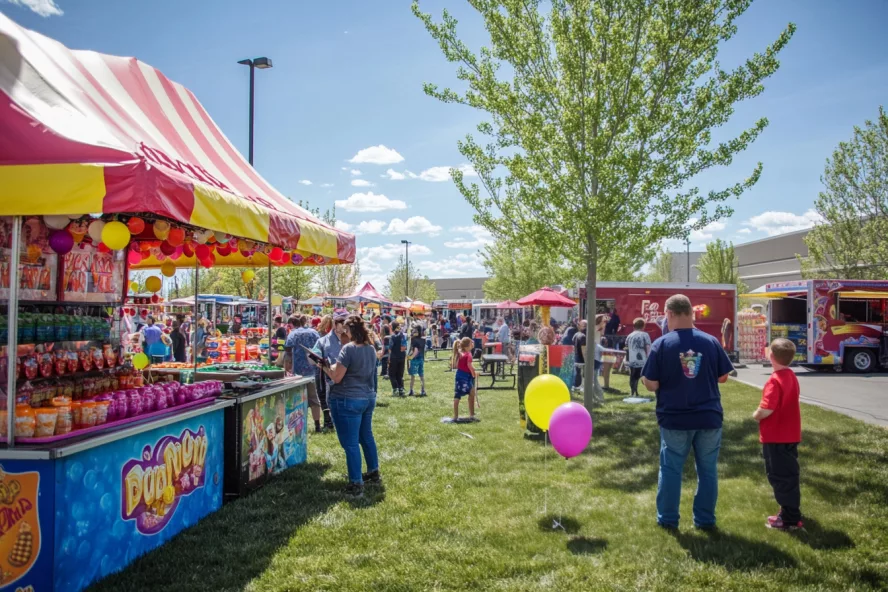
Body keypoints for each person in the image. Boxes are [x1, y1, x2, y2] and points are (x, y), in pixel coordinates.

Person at [642, 294, 734, 530]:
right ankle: (705, 520)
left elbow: (651, 382)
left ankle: (668, 519)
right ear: (691, 313)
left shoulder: (661, 344)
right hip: (709, 415)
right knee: (707, 470)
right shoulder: (711, 341)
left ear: (669, 314)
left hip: (674, 417)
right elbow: (723, 376)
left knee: (671, 469)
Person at [319, 314, 381, 496]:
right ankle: (373, 472)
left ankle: (356, 484)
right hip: (367, 397)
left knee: (351, 443)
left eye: (343, 331)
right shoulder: (370, 349)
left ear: (349, 331)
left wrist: (323, 366)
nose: (341, 335)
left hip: (347, 399)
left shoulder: (348, 350)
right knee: (366, 437)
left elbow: (336, 377)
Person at [753, 338, 803, 530]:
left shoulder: (774, 380)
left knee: (779, 476)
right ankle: (790, 510)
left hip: (776, 437)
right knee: (789, 474)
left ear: (771, 356)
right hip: (790, 435)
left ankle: (790, 518)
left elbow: (767, 408)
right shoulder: (790, 375)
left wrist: (756, 415)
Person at [284, 315, 328, 433]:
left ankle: (295, 427)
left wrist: (286, 367)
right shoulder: (314, 333)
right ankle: (317, 425)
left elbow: (287, 353)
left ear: (293, 323)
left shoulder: (292, 334)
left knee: (295, 401)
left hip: (297, 372)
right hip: (313, 370)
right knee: (314, 400)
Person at [313, 313, 348, 427]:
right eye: (342, 324)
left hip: (346, 375)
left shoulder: (349, 339)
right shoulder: (323, 340)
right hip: (327, 374)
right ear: (335, 325)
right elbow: (315, 352)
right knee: (325, 397)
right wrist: (317, 358)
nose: (344, 327)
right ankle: (328, 420)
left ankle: (340, 420)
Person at [452, 337, 477, 421]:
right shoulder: (468, 354)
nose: (472, 344)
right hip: (466, 376)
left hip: (459, 375)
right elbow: (469, 365)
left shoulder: (460, 352)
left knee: (457, 395)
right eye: (471, 343)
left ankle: (456, 416)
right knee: (472, 393)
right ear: (467, 346)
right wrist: (474, 373)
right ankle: (472, 415)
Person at [625, 318, 652, 397]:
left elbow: (626, 347)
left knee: (633, 376)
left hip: (632, 358)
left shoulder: (630, 335)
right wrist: (649, 357)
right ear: (643, 326)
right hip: (641, 359)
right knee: (642, 375)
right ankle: (639, 390)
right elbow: (648, 347)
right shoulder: (645, 335)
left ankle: (633, 391)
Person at [388, 321, 407, 397]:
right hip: (402, 357)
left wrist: (389, 358)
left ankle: (395, 389)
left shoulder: (392, 337)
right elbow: (405, 347)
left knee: (392, 374)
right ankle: (401, 389)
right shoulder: (403, 336)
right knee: (400, 374)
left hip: (394, 357)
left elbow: (390, 348)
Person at [407, 326, 427, 397]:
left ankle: (411, 390)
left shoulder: (414, 340)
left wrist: (410, 357)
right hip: (421, 358)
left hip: (415, 359)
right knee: (421, 375)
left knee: (413, 376)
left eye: (414, 330)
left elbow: (415, 350)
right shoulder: (423, 340)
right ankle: (423, 390)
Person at [572, 320, 587, 390]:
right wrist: (586, 359)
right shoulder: (583, 336)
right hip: (581, 358)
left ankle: (575, 385)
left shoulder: (576, 334)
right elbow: (583, 349)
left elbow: (573, 344)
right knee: (581, 373)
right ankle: (579, 386)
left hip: (576, 356)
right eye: (585, 326)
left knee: (577, 372)